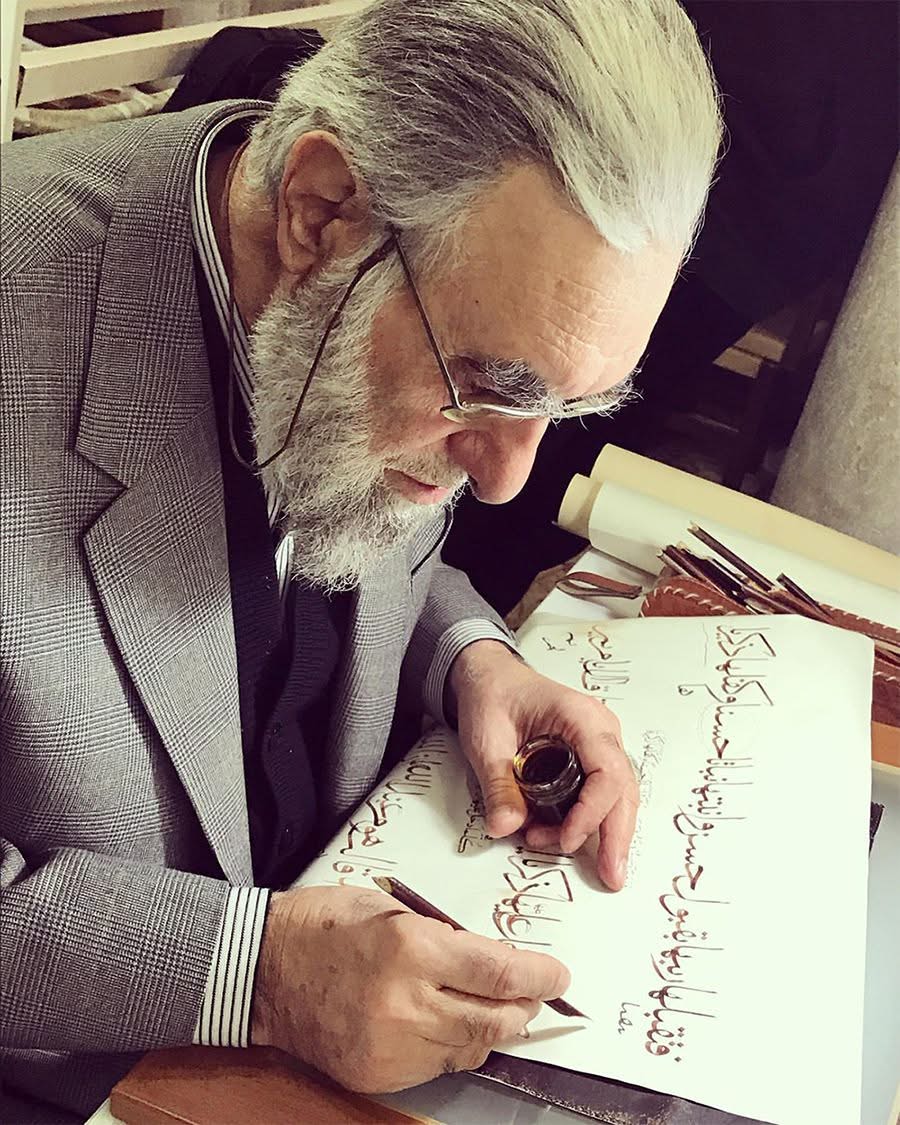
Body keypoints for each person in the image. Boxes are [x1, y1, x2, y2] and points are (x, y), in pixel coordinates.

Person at [0, 1, 721, 1120]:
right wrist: (259, 972)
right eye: (486, 389)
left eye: (567, 409)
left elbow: (352, 534)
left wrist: (473, 662)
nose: (505, 483)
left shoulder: (402, 281)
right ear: (322, 207)